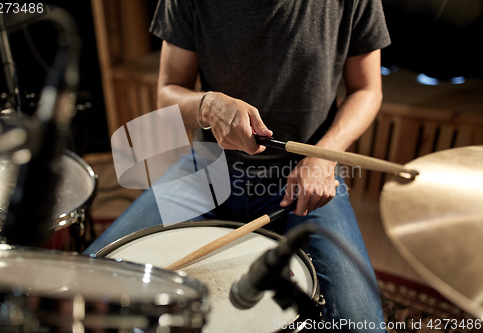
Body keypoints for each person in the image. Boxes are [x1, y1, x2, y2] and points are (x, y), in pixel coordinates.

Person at [87, 0, 391, 331]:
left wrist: (324, 155)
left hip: (304, 175)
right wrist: (207, 105)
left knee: (363, 325)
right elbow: (167, 93)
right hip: (206, 171)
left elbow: (367, 89)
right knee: (90, 280)